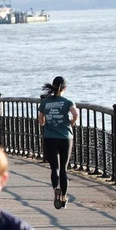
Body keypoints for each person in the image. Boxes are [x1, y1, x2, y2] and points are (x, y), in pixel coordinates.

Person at [38, 76, 79, 210]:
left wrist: (46, 123)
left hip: (50, 137)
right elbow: (75, 114)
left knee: (54, 168)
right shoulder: (67, 102)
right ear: (64, 88)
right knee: (63, 168)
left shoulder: (45, 102)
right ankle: (64, 196)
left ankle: (56, 188)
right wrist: (71, 123)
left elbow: (41, 120)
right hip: (66, 137)